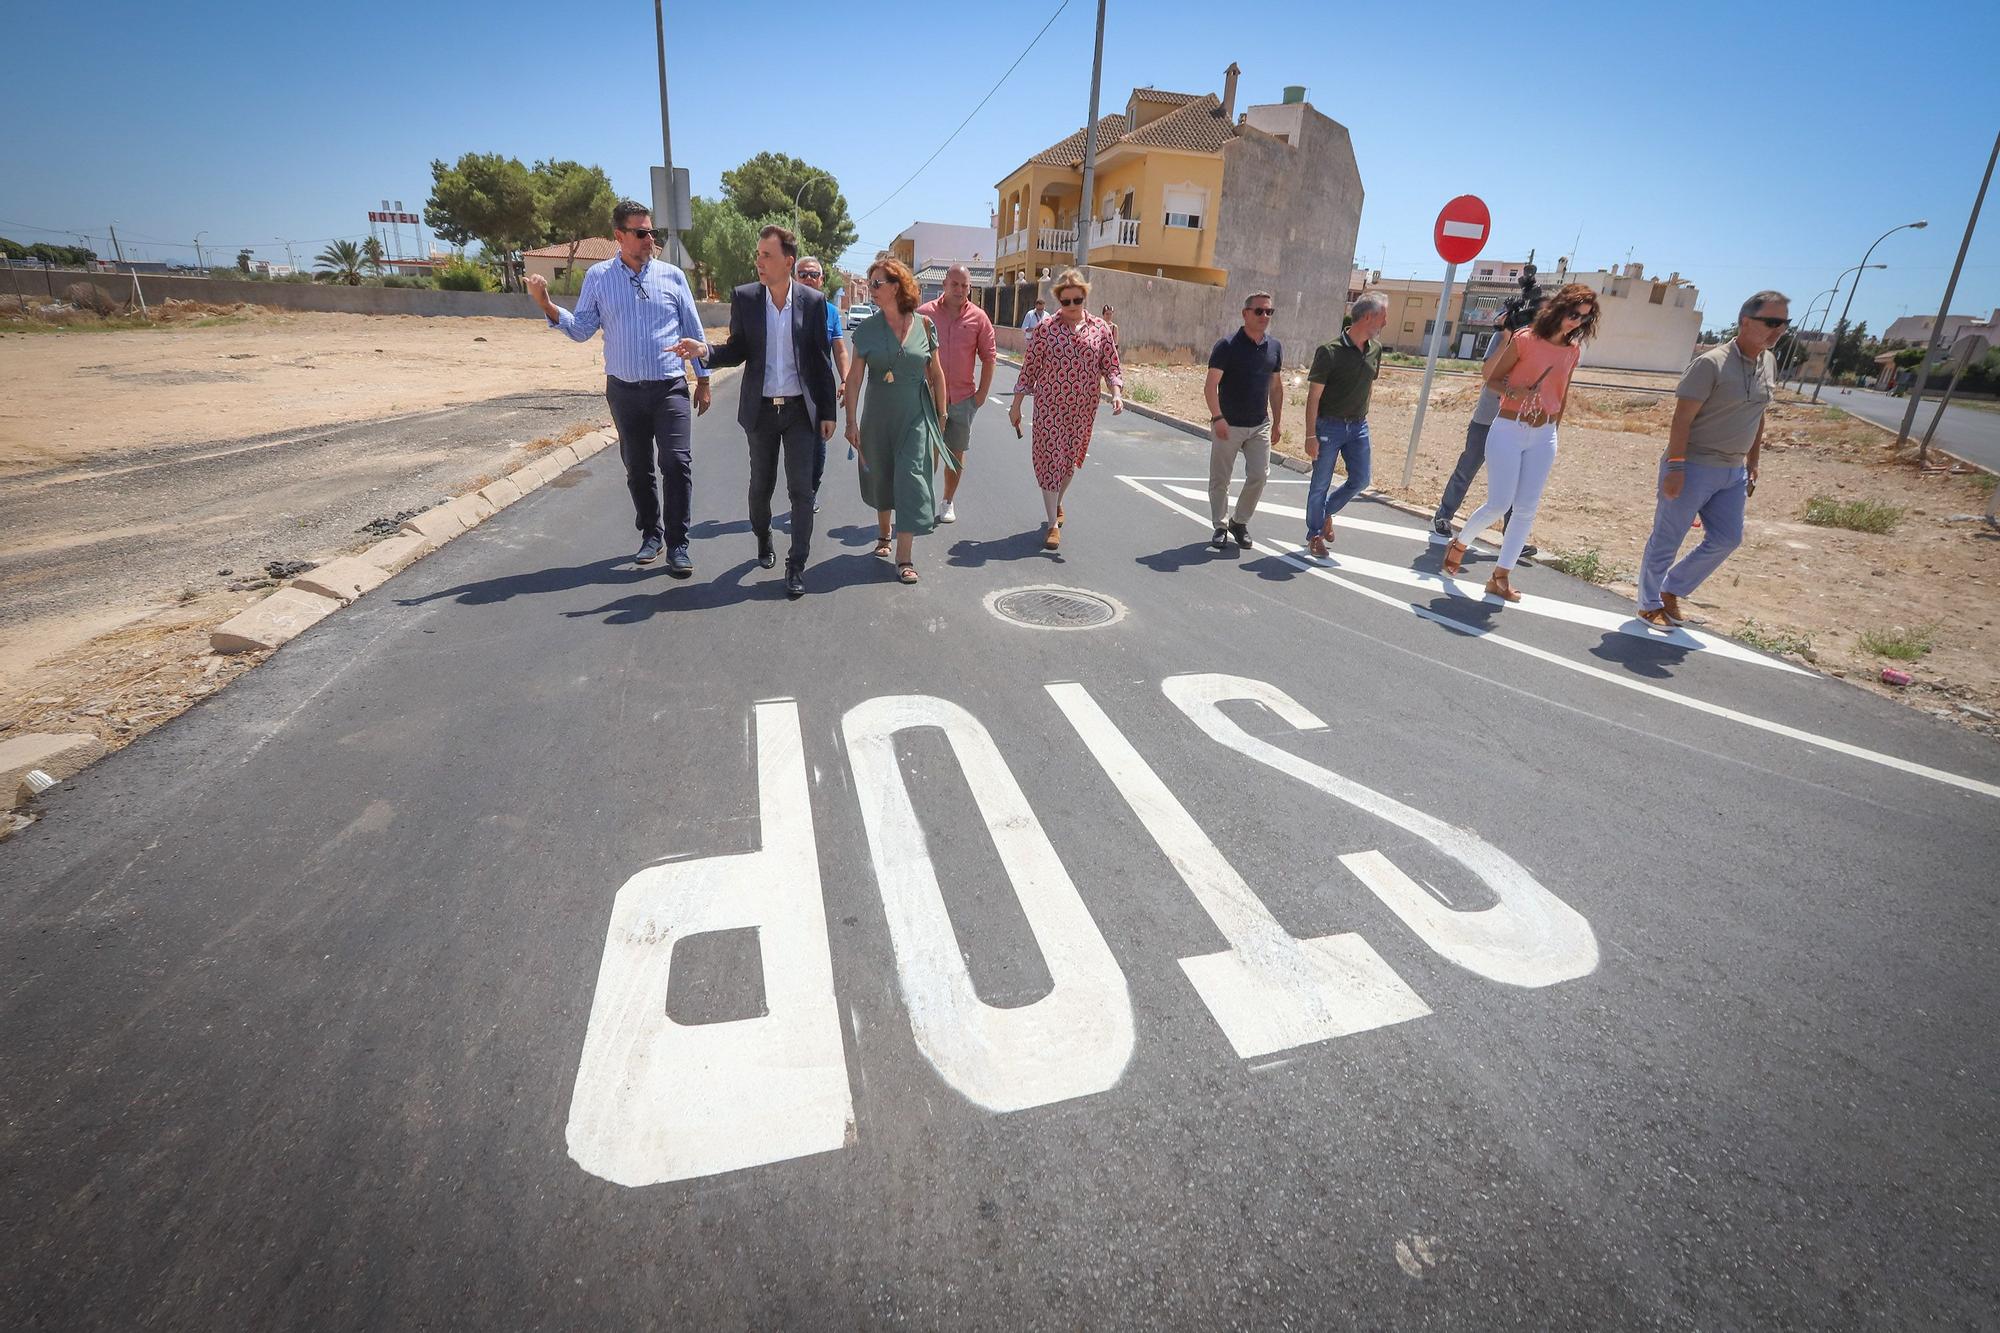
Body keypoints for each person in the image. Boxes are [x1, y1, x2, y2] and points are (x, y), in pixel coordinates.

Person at [527, 199, 709, 575]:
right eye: (641, 233)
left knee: (676, 463)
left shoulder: (673, 276)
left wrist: (703, 379)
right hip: (624, 391)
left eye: (652, 233)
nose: (650, 241)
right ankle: (651, 535)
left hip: (669, 386)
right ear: (619, 236)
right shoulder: (598, 278)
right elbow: (580, 330)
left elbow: (693, 332)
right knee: (638, 467)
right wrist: (547, 304)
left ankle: (678, 544)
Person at [697, 225, 838, 600]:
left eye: (766, 255)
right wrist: (706, 353)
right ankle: (763, 536)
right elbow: (737, 348)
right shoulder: (745, 298)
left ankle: (797, 564)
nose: (758, 261)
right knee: (761, 488)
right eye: (758, 254)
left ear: (788, 262)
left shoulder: (812, 300)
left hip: (798, 412)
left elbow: (822, 361)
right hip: (761, 412)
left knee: (801, 492)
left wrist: (828, 412)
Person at [1636, 290, 1788, 629]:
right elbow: (1681, 419)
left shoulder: (1768, 363)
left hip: (1733, 471)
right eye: (1772, 322)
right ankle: (1648, 603)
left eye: (1784, 324)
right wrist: (1675, 467)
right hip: (1694, 465)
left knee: (1727, 538)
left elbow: (1758, 414)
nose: (1778, 330)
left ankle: (1671, 588)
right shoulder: (1711, 363)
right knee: (1667, 537)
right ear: (1746, 322)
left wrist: (1754, 462)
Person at [1442, 283, 1599, 602]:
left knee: (1526, 509)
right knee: (1499, 503)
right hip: (1509, 428)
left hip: (1544, 434)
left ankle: (1500, 576)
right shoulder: (1525, 339)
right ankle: (1460, 542)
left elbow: (1563, 393)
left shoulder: (1573, 351)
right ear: (1559, 309)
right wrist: (1514, 392)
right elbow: (1493, 380)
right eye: (1573, 314)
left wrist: (1555, 428)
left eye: (1584, 318)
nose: (1576, 322)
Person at [843, 257, 949, 585]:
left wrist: (942, 416)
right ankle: (884, 532)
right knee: (883, 474)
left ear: (896, 286)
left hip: (915, 414)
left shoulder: (925, 326)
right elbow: (855, 379)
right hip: (878, 414)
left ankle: (905, 557)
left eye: (878, 284)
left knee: (911, 476)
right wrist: (851, 422)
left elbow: (936, 374)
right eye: (870, 283)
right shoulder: (867, 330)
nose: (871, 289)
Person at [1008, 269, 1124, 551]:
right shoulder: (1046, 330)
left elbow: (1111, 365)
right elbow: (1029, 369)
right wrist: (1016, 405)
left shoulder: (1101, 329)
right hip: (1049, 407)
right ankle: (1051, 524)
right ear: (1059, 300)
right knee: (1050, 460)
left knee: (1070, 462)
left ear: (1085, 297)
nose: (1072, 306)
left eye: (1078, 300)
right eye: (1066, 301)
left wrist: (1117, 392)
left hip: (1083, 409)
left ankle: (1058, 502)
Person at [1430, 307, 1542, 558]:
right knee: (1467, 467)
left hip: (1517, 421)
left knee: (1515, 481)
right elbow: (1488, 374)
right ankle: (1444, 516)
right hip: (1488, 416)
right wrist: (1506, 338)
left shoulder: (1541, 346)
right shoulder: (1502, 338)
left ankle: (1512, 537)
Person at [1302, 292, 1387, 558]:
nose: (1385, 323)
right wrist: (1310, 435)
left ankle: (1325, 512)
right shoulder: (1329, 351)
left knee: (1361, 479)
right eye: (1383, 317)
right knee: (1320, 483)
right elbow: (1313, 396)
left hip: (1358, 427)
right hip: (1329, 427)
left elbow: (1369, 386)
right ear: (1368, 316)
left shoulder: (1376, 350)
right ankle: (1315, 533)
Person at [916, 264, 996, 525]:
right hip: (927, 398)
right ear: (944, 285)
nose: (960, 290)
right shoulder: (924, 315)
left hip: (962, 399)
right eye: (955, 284)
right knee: (927, 452)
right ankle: (924, 498)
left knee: (955, 453)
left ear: (970, 288)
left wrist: (982, 394)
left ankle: (947, 501)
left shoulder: (979, 318)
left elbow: (989, 356)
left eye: (965, 285)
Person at [1203, 291, 1284, 549]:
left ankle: (1239, 522)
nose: (1264, 316)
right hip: (1229, 423)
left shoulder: (1274, 347)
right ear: (1245, 313)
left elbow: (1276, 387)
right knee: (1220, 479)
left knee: (1260, 475)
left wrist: (1278, 422)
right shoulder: (1227, 346)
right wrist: (1218, 418)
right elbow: (1210, 386)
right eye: (1259, 311)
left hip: (1259, 424)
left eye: (1269, 312)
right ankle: (1220, 525)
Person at [794, 255, 851, 507]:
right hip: (789, 391)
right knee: (794, 449)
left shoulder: (830, 312)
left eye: (813, 275)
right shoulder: (783, 306)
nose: (808, 279)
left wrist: (845, 381)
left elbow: (840, 350)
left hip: (818, 393)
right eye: (803, 274)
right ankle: (799, 495)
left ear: (822, 280)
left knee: (818, 449)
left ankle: (811, 490)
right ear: (795, 277)